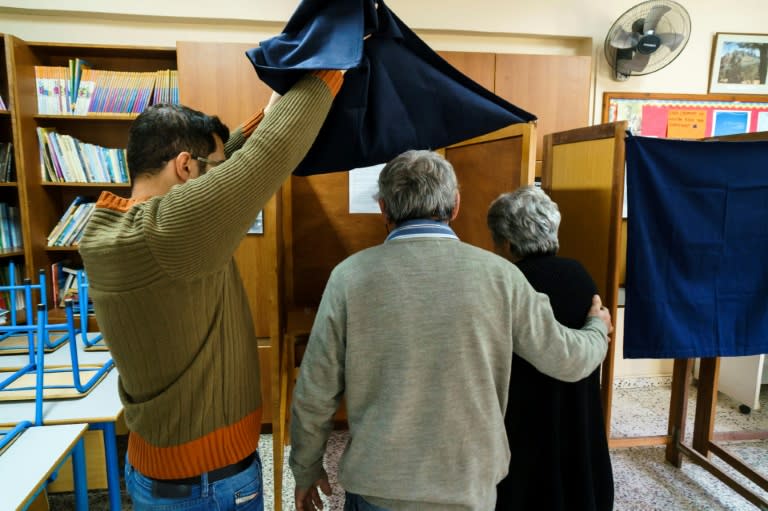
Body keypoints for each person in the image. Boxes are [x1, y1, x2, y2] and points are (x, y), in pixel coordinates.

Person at [289, 150, 613, 511]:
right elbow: (566, 360)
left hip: (378, 485)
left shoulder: (349, 277)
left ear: (383, 207)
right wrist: (597, 328)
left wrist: (306, 469)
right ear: (456, 205)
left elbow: (315, 391)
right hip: (467, 488)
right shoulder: (501, 276)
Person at [78, 68, 343, 510]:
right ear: (184, 166)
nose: (220, 179)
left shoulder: (110, 231)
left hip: (156, 469)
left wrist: (264, 112)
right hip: (208, 483)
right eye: (212, 170)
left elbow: (229, 164)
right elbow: (269, 156)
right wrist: (334, 63)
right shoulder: (169, 231)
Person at [487, 185, 614, 511]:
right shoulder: (579, 275)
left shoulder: (508, 282)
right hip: (577, 410)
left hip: (525, 421)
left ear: (507, 242)